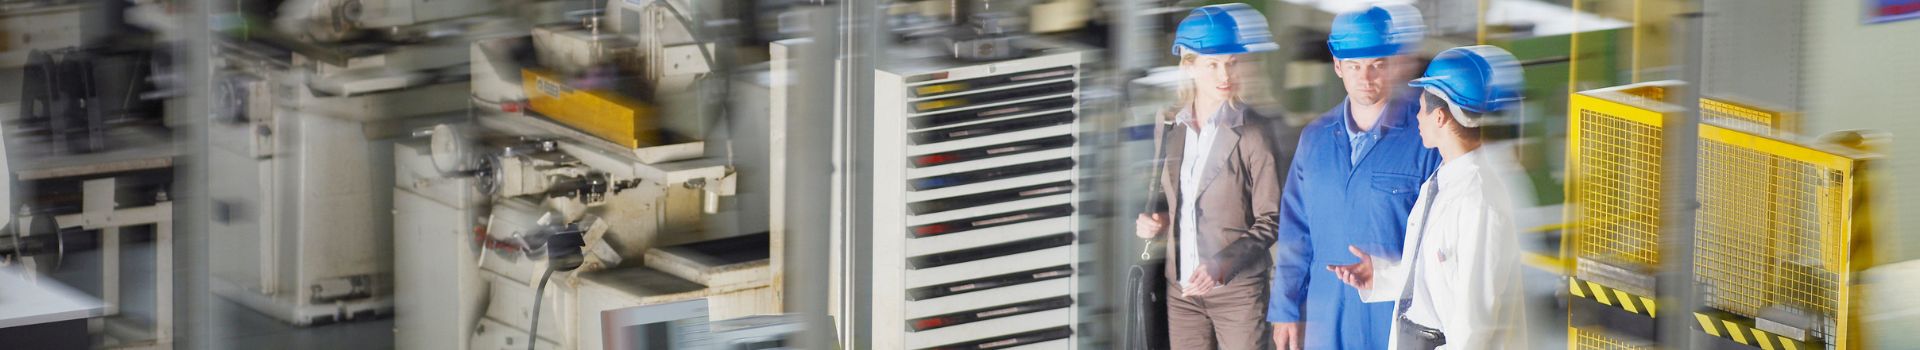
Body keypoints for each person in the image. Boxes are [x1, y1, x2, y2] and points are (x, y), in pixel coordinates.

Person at [1328, 45, 1529, 350]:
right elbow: (1435, 276)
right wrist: (1379, 277)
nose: (1417, 117)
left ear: (1440, 117)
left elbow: (1474, 322)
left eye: (1422, 108)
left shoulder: (1479, 200)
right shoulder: (1442, 181)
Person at [1266, 4, 1439, 350]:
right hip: (1324, 316)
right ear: (1337, 66)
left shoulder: (1425, 139)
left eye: (1377, 65)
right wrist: (1285, 309)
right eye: (1355, 66)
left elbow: (1439, 244)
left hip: (1394, 319)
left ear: (1393, 65)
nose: (1366, 77)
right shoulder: (1315, 139)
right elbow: (1295, 234)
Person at [1134, 3, 1283, 349]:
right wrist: (1158, 219)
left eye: (1231, 63)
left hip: (1238, 292)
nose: (1224, 75)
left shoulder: (1254, 132)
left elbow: (1271, 219)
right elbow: (1176, 198)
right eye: (1212, 64)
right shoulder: (1170, 123)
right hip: (1181, 289)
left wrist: (1221, 264)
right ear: (1189, 66)